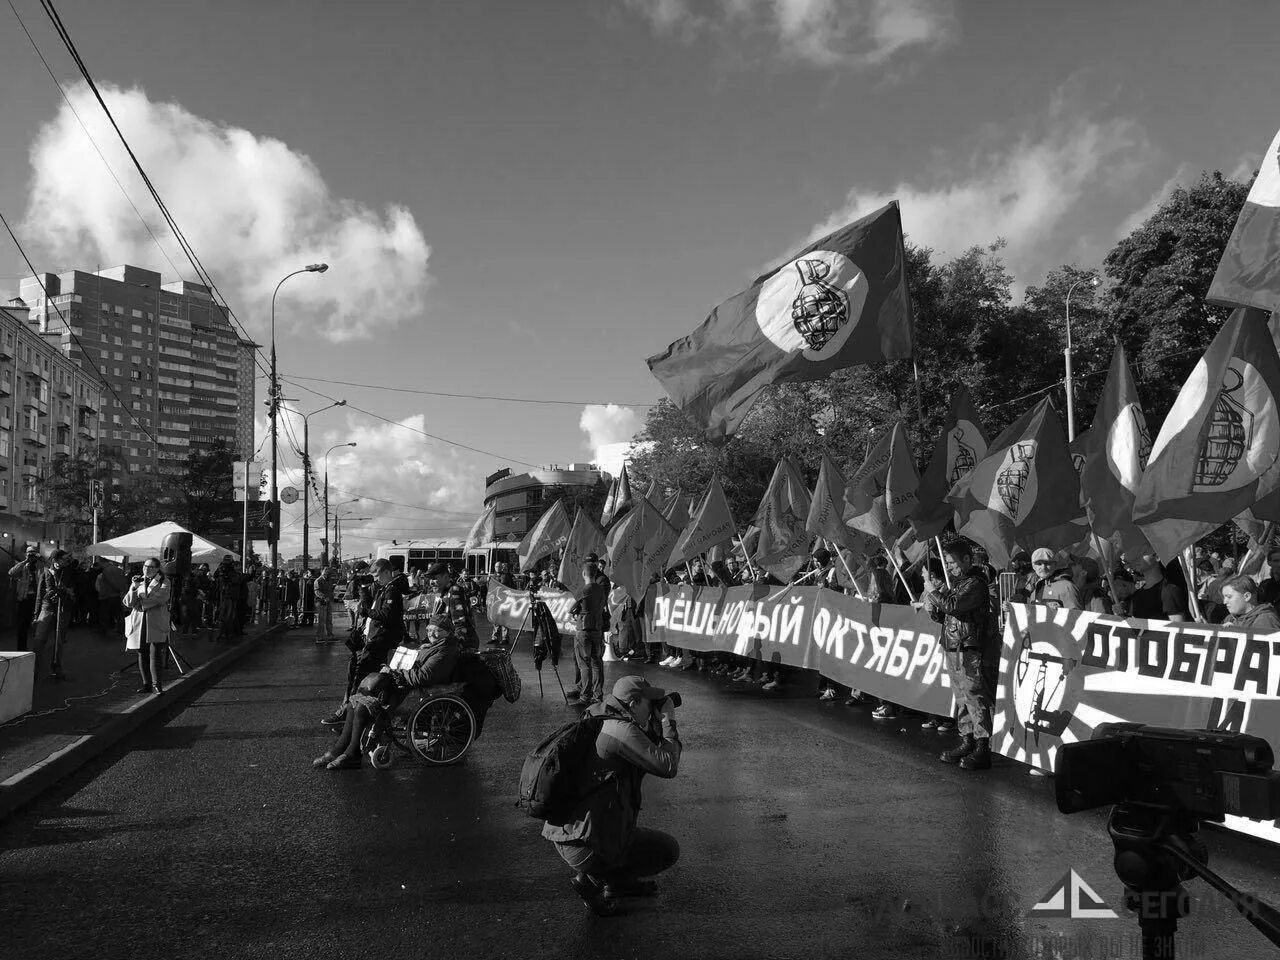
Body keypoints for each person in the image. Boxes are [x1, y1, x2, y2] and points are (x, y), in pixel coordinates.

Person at [543, 676, 682, 916]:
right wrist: (668, 723)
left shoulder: (599, 715)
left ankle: (616, 882)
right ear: (633, 704)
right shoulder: (620, 730)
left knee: (621, 817)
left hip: (571, 833)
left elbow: (644, 743)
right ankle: (592, 881)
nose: (652, 711)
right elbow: (667, 765)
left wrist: (654, 721)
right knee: (667, 850)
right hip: (585, 844)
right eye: (650, 705)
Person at [921, 539, 996, 772]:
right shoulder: (959, 582)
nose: (950, 566)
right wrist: (933, 608)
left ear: (966, 559)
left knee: (974, 695)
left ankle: (983, 746)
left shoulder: (975, 583)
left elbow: (954, 606)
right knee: (961, 697)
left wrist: (932, 591)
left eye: (953, 562)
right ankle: (967, 739)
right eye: (948, 562)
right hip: (953, 645)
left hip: (969, 647)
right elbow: (948, 615)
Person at [124, 557, 171, 695]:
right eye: (145, 566)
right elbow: (127, 602)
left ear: (157, 568)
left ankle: (157, 685)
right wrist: (133, 587)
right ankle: (146, 684)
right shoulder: (138, 581)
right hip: (139, 621)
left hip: (156, 621)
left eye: (151, 567)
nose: (147, 569)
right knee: (142, 653)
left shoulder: (164, 581)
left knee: (155, 653)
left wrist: (141, 604)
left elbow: (161, 598)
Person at [569, 562, 609, 707]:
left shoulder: (583, 590)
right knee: (597, 662)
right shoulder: (601, 589)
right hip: (597, 629)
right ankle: (598, 695)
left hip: (584, 629)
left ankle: (585, 696)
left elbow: (570, 608)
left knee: (584, 664)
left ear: (584, 574)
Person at [1130, 555, 1190, 622]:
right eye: (1135, 553)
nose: (1137, 557)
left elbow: (1178, 628)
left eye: (1143, 553)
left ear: (1157, 557)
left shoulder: (1169, 590)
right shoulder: (1137, 595)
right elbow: (1136, 627)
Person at [8, 546, 44, 651]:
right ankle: (21, 647)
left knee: (34, 623)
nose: (31, 556)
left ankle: (36, 646)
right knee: (22, 624)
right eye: (29, 553)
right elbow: (11, 573)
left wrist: (41, 559)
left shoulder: (39, 565)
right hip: (24, 598)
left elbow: (48, 569)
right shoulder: (22, 566)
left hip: (36, 598)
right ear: (26, 554)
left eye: (33, 553)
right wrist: (25, 561)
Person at [314, 566, 336, 642]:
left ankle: (330, 635)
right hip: (321, 602)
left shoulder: (329, 580)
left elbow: (330, 590)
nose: (327, 572)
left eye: (328, 571)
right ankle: (319, 637)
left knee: (329, 619)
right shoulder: (318, 580)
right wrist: (324, 597)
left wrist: (331, 597)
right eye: (326, 570)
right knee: (321, 620)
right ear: (322, 571)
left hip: (328, 601)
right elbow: (317, 591)